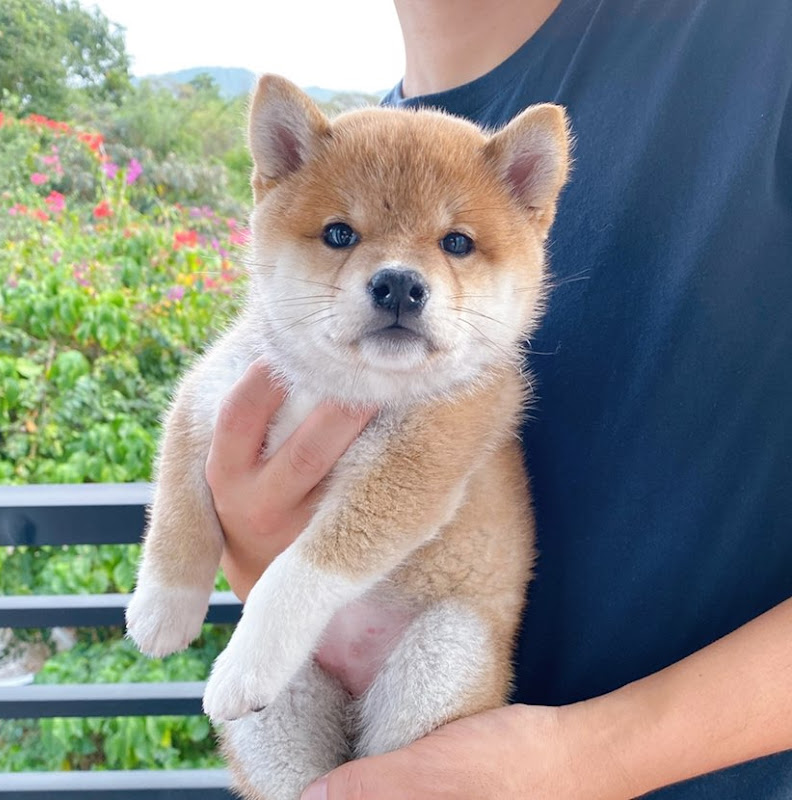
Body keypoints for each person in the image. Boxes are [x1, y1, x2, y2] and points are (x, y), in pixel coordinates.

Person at [205, 1, 792, 797]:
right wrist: (262, 556)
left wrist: (589, 758)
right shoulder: (362, 153)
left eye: (455, 244)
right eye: (343, 236)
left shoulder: (758, 48)